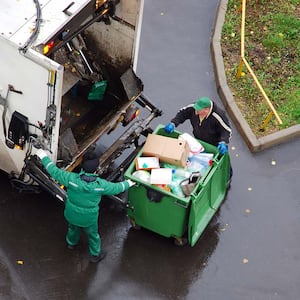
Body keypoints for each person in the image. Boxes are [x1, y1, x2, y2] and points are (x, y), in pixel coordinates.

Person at [35, 149, 135, 263]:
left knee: (73, 228)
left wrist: (44, 157)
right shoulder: (100, 185)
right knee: (93, 235)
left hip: (71, 214)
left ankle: (71, 243)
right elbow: (117, 187)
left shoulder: (71, 179)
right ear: (96, 169)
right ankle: (95, 255)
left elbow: (54, 171)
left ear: (82, 167)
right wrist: (129, 183)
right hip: (89, 219)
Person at [164, 96, 232, 179]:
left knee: (223, 162)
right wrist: (173, 123)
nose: (195, 112)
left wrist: (223, 142)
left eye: (198, 110)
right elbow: (182, 114)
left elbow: (226, 130)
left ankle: (228, 175)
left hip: (215, 144)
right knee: (200, 160)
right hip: (199, 139)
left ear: (206, 110)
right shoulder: (193, 108)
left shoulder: (218, 116)